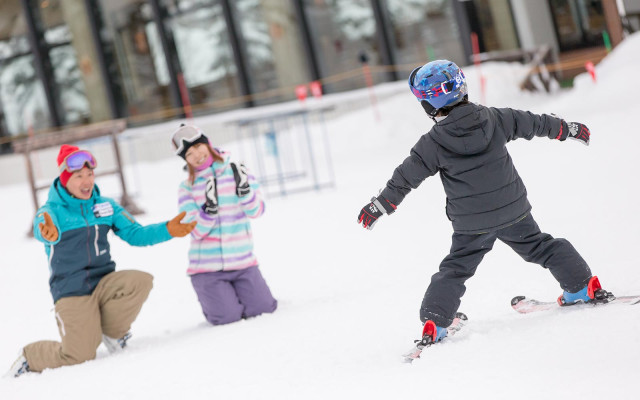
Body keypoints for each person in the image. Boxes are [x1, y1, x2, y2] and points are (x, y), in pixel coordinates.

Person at [357, 60, 613, 344]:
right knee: (542, 246)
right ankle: (580, 287)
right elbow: (535, 123)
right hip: (513, 211)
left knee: (455, 270)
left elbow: (405, 178)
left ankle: (436, 322)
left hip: (471, 224)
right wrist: (568, 129)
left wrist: (379, 206)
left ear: (428, 105)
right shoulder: (494, 118)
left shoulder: (432, 143)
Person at [5, 144, 196, 378]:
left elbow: (136, 234)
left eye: (89, 174)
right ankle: (31, 356)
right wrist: (45, 231)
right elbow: (41, 225)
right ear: (65, 180)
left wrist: (168, 229)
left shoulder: (105, 207)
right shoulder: (52, 211)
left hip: (104, 283)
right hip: (71, 291)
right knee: (80, 355)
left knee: (139, 281)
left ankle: (114, 333)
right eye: (78, 176)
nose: (86, 181)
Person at [171, 124, 277, 326]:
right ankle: (218, 301)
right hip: (207, 270)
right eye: (189, 154)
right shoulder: (187, 188)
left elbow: (257, 211)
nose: (197, 155)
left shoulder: (238, 172)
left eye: (199, 147)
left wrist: (244, 191)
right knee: (228, 318)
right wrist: (207, 211)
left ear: (208, 144)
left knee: (264, 310)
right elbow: (195, 232)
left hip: (243, 263)